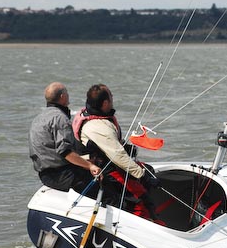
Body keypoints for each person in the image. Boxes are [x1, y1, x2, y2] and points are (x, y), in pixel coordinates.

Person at [72, 84, 160, 220]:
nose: (113, 98)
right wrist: (142, 176)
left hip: (110, 161)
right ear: (105, 103)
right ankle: (143, 223)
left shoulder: (90, 114)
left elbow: (112, 145)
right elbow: (118, 156)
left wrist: (126, 146)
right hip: (106, 169)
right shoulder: (97, 127)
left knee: (150, 170)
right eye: (111, 96)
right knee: (140, 200)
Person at [29, 82, 101, 193]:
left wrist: (84, 160)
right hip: (61, 176)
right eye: (67, 92)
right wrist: (90, 166)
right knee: (104, 183)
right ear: (62, 97)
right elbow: (65, 152)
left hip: (45, 175)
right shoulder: (59, 118)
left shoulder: (39, 118)